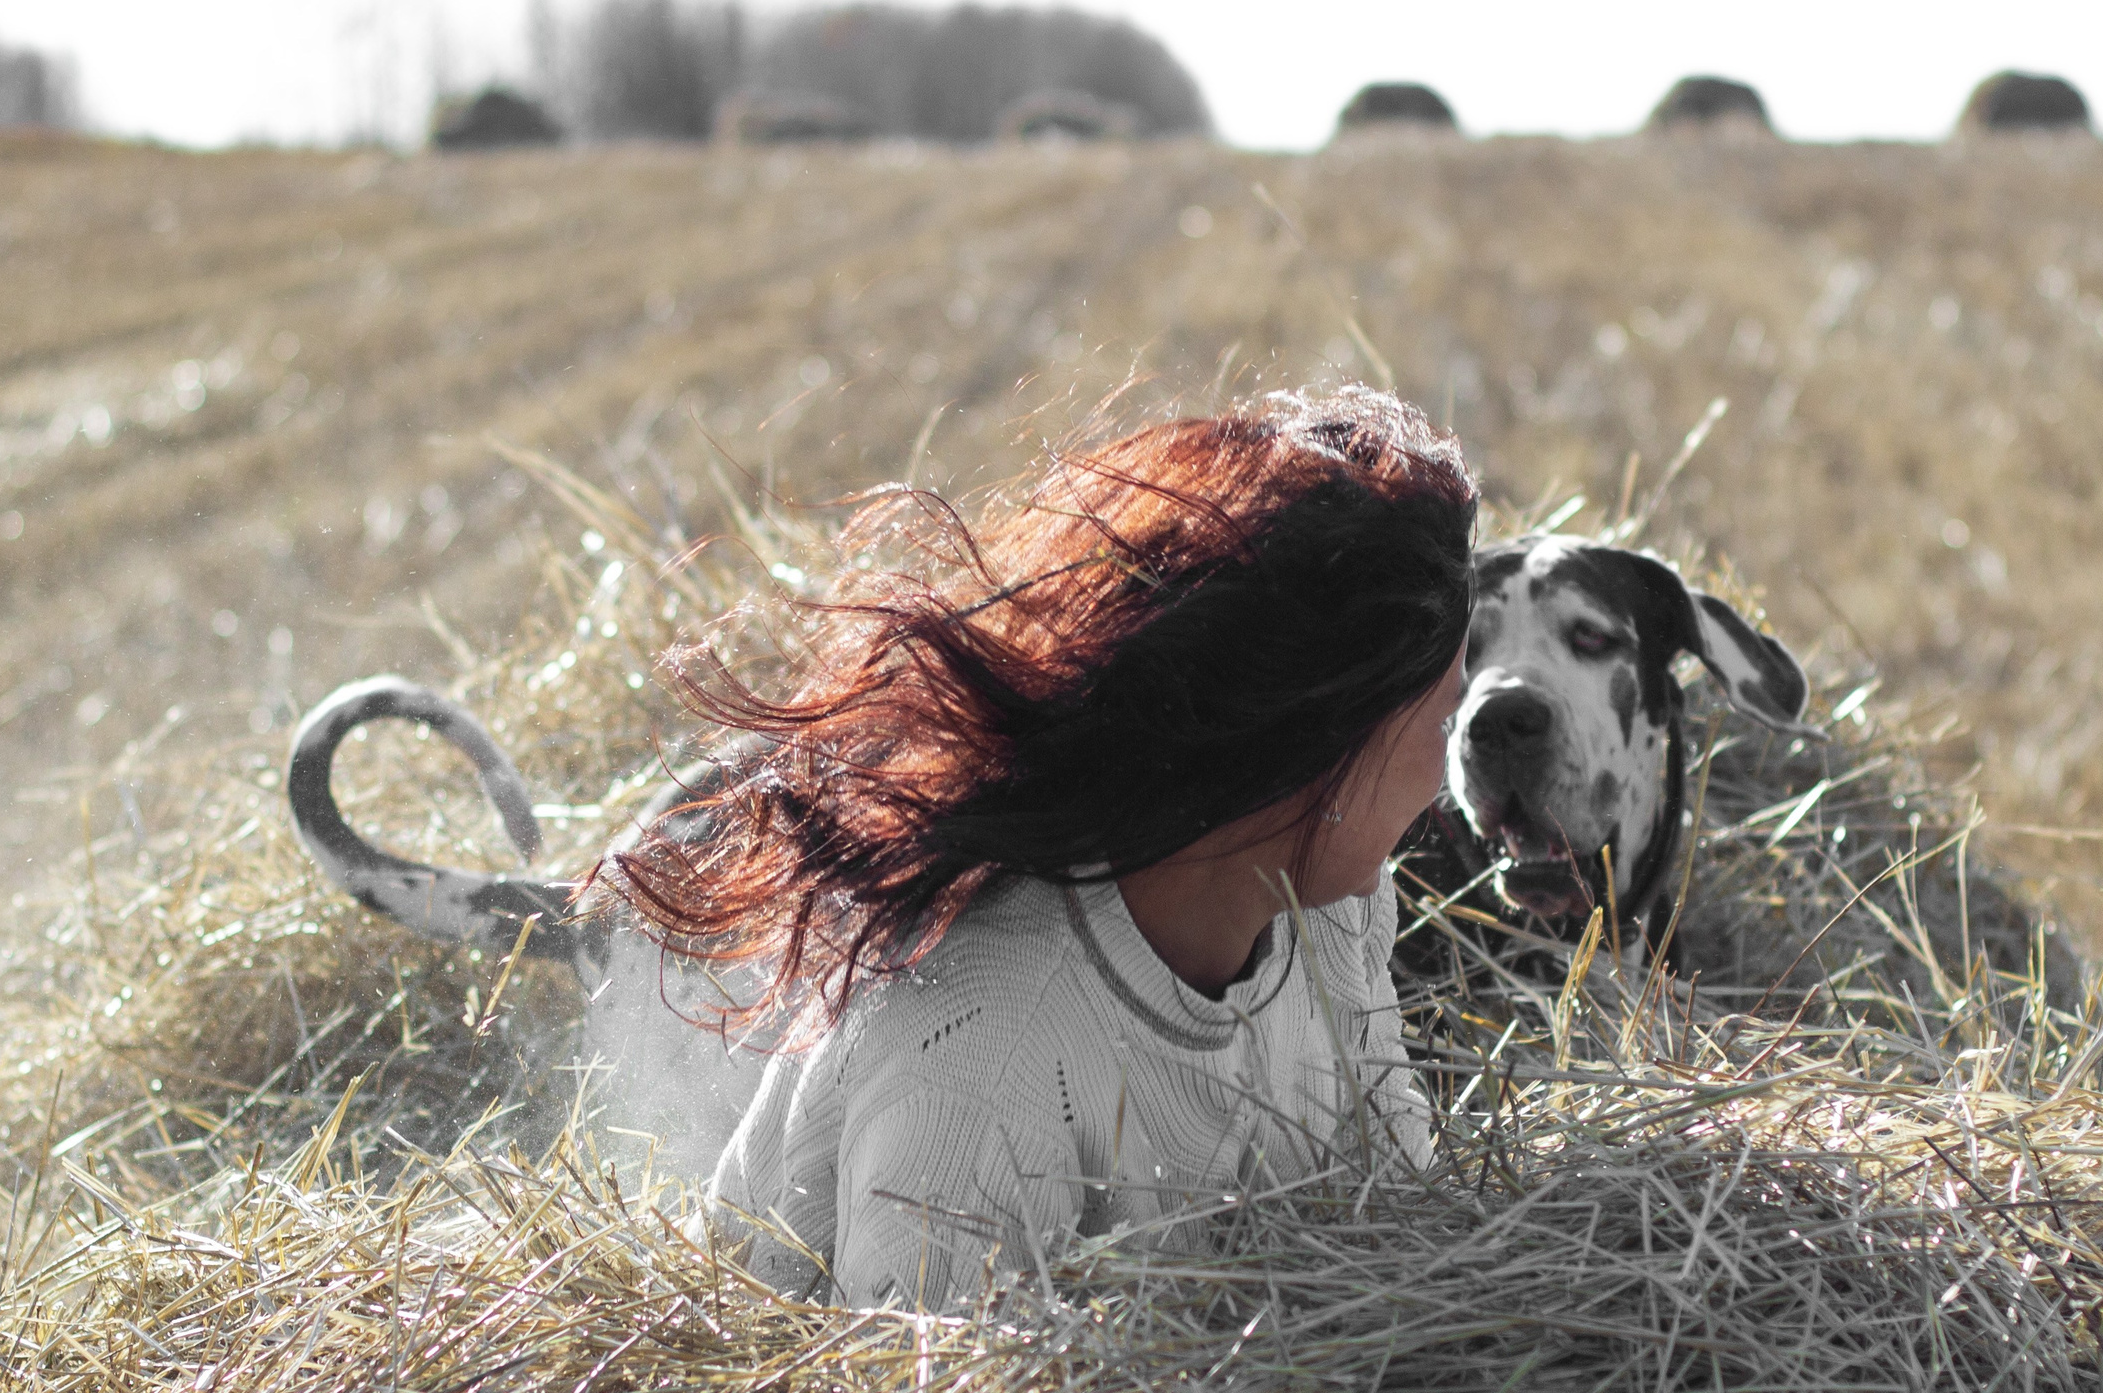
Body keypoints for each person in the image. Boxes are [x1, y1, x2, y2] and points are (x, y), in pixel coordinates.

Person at [607, 385, 1476, 1309]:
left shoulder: (1325, 908)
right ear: (1316, 742)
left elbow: (1402, 1233)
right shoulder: (988, 1053)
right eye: (1442, 715)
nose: (1447, 774)